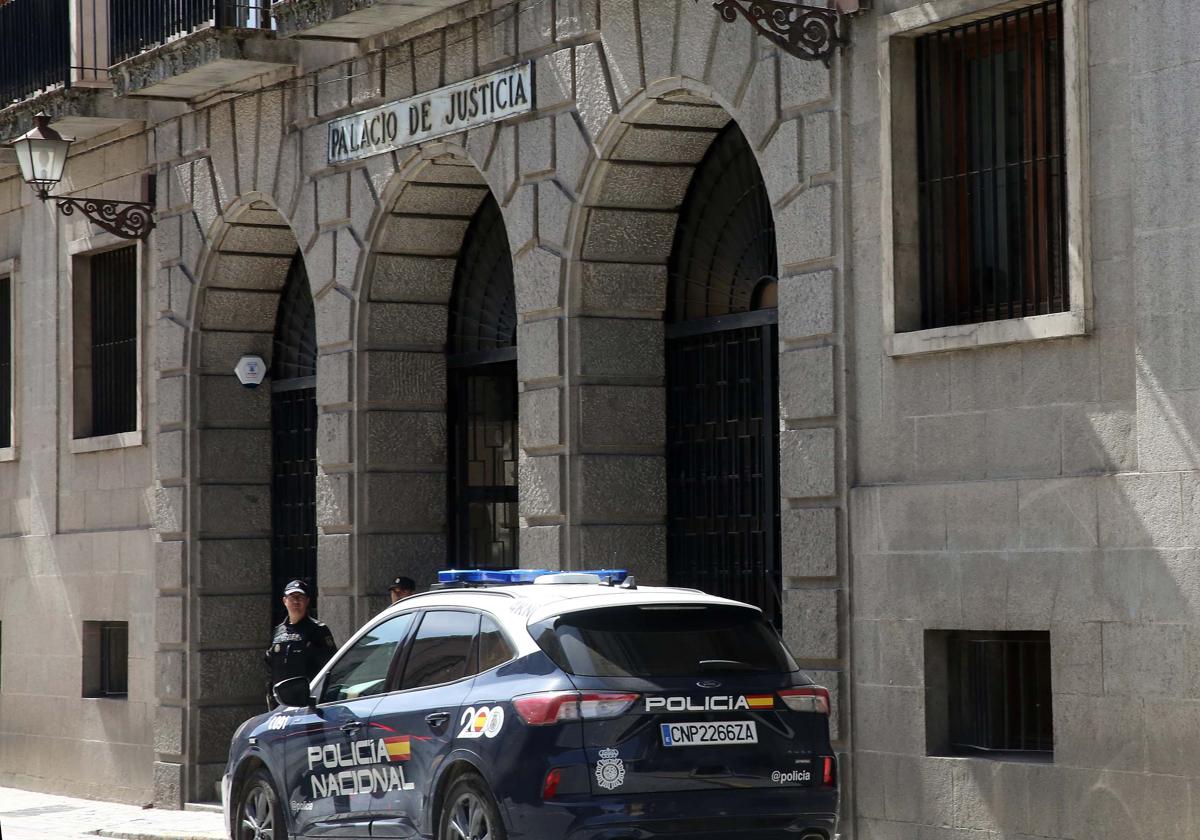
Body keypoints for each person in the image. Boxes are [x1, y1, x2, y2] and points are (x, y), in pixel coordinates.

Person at [264, 579, 337, 708]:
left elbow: (330, 666)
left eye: (300, 597)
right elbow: (270, 667)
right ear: (284, 601)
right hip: (280, 703)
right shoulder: (278, 631)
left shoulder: (318, 630)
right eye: (292, 597)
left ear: (307, 601)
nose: (296, 601)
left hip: (306, 702)